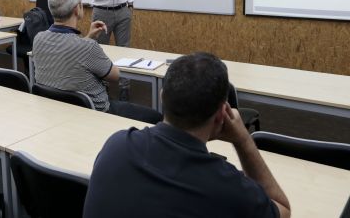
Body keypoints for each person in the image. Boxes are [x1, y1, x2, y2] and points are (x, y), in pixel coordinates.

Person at [83, 52, 291, 218]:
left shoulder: (117, 146)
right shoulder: (228, 188)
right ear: (222, 114)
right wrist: (242, 138)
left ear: (162, 97)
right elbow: (282, 208)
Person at [33, 0, 154, 120]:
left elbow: (66, 49)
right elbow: (115, 76)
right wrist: (89, 43)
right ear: (77, 9)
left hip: (55, 110)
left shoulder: (38, 39)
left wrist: (89, 37)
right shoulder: (88, 47)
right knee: (155, 116)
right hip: (96, 113)